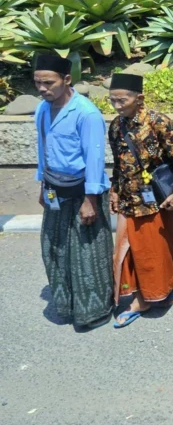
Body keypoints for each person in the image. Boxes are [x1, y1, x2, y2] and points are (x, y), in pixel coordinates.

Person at [33, 53, 114, 329]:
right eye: (38, 83)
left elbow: (94, 159)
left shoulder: (86, 113)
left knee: (87, 255)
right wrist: (43, 185)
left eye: (48, 83)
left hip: (83, 194)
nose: (43, 89)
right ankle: (66, 304)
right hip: (55, 189)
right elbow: (44, 150)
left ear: (67, 80)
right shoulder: (42, 109)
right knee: (53, 249)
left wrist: (90, 200)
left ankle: (94, 311)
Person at [108, 74, 173, 327]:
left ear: (139, 98)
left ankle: (172, 286)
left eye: (122, 100)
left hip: (158, 199)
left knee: (163, 250)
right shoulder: (115, 126)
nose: (117, 106)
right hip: (129, 200)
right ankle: (140, 299)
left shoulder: (158, 122)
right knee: (132, 252)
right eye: (113, 101)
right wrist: (114, 191)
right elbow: (118, 164)